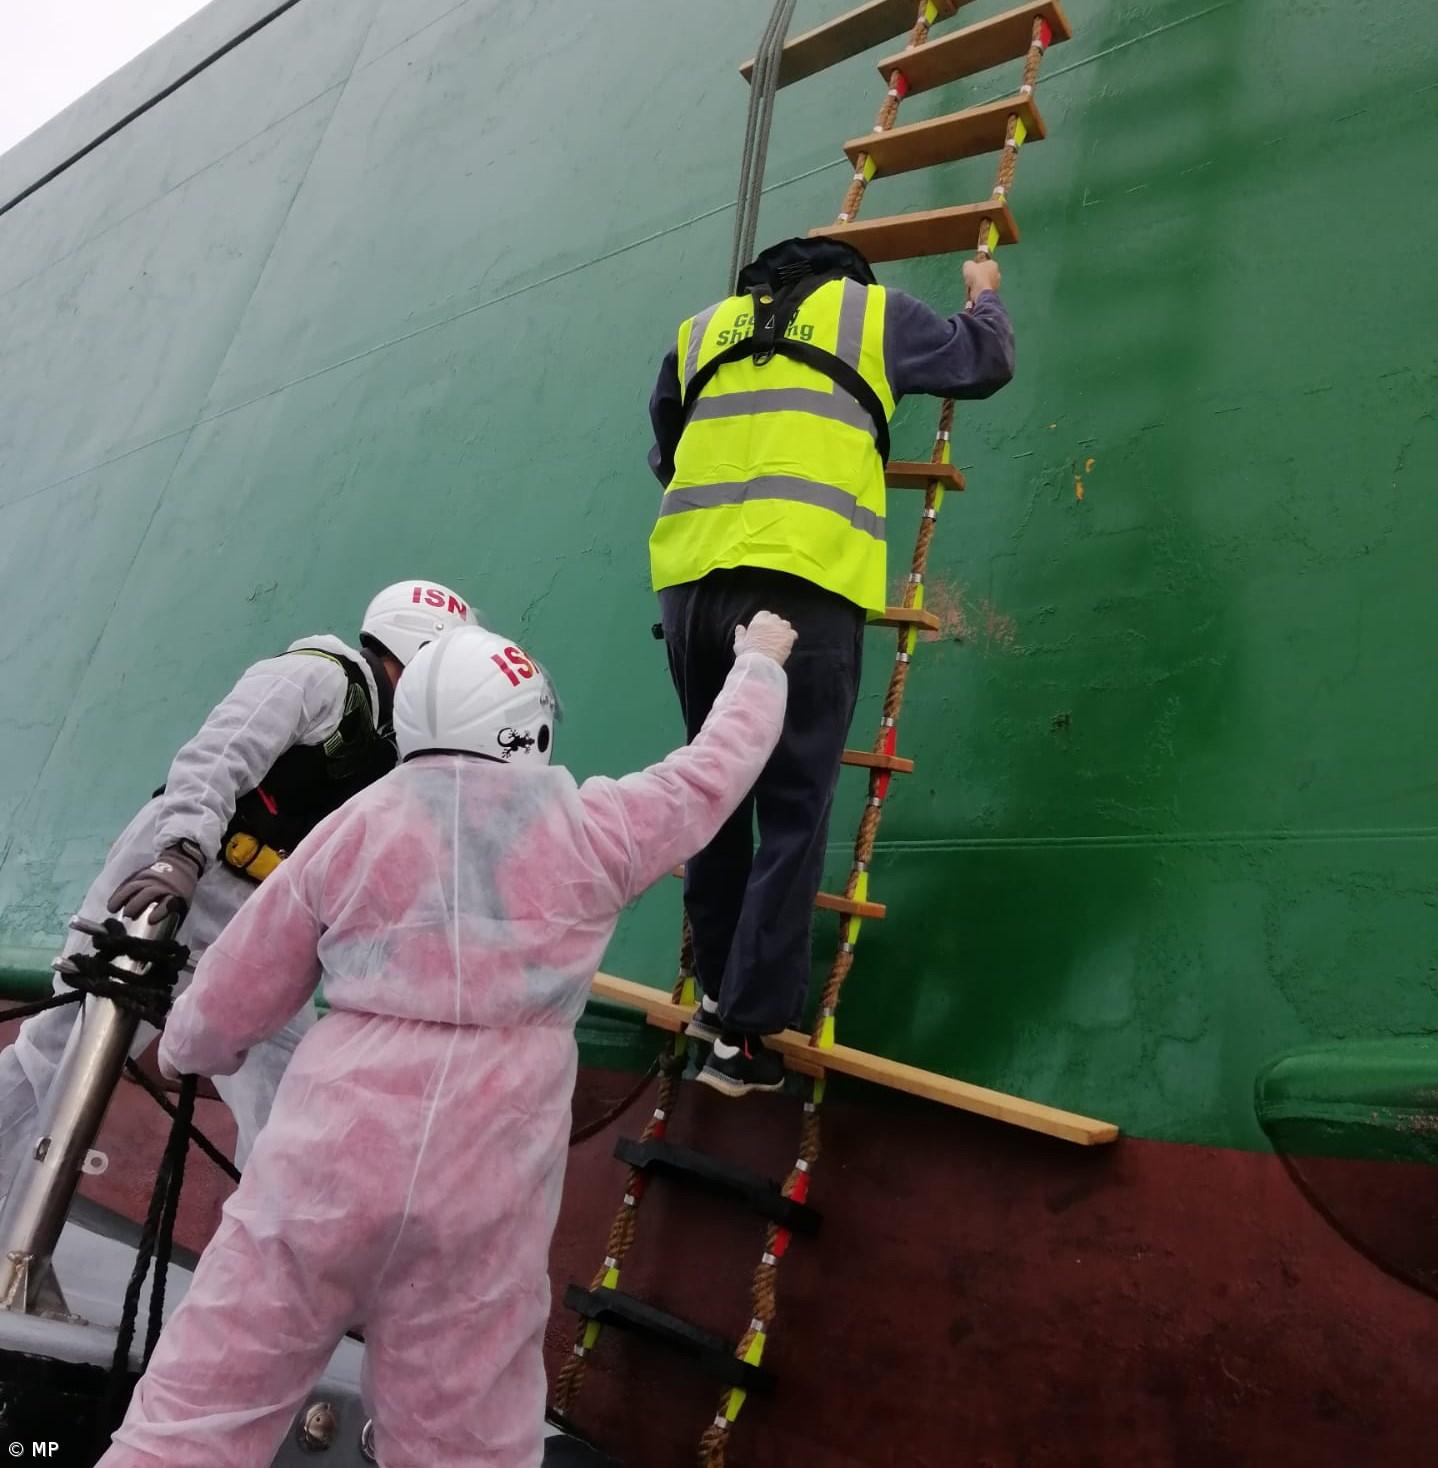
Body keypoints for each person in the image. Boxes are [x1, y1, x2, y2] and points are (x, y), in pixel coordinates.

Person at [96, 611, 795, 1468]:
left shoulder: (352, 829)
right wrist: (758, 665)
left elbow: (228, 998)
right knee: (465, 1446)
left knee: (190, 1424)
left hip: (320, 1183)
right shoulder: (595, 828)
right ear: (528, 725)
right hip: (485, 1204)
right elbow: (711, 775)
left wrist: (181, 1053)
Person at [648, 234, 1015, 1095]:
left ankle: (712, 998)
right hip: (801, 587)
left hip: (691, 589)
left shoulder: (699, 331)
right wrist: (984, 289)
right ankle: (744, 1034)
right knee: (793, 810)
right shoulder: (871, 313)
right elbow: (984, 358)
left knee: (713, 793)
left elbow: (667, 448)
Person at [0, 579, 479, 1184]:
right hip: (176, 884)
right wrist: (177, 854)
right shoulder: (319, 679)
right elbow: (215, 757)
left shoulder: (401, 747)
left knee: (290, 1100)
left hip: (266, 922)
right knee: (60, 1056)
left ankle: (259, 1260)